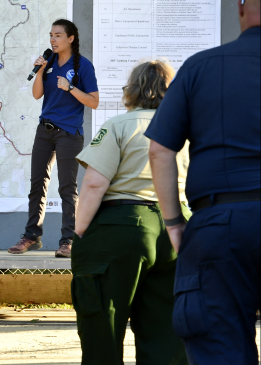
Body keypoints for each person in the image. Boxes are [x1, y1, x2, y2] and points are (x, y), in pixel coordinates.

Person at [146, 0, 260, 363]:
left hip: (219, 225)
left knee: (220, 347)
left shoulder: (201, 67)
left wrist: (174, 224)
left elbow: (160, 151)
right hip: (222, 223)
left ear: (241, 8)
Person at [72, 60, 190, 365]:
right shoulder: (186, 128)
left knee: (104, 322)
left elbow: (95, 184)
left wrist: (81, 231)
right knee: (166, 327)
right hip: (176, 229)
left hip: (122, 226)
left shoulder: (118, 125)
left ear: (132, 89)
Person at [8, 19, 99, 257]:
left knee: (67, 188)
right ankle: (31, 236)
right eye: (51, 35)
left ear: (71, 39)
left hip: (69, 133)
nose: (53, 39)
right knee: (37, 184)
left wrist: (70, 88)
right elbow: (37, 94)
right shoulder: (48, 63)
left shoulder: (83, 66)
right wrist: (39, 71)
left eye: (58, 35)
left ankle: (68, 241)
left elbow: (94, 102)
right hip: (44, 131)